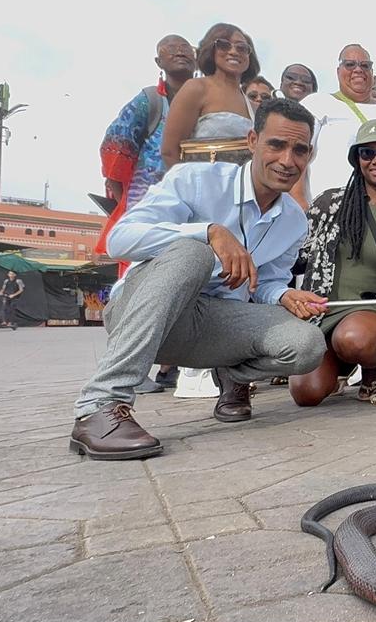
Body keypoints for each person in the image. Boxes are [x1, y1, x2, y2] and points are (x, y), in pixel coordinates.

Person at [69, 98, 327, 459]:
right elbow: (119, 240)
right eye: (276, 144)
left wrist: (283, 295)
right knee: (194, 253)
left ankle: (232, 375)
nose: (287, 160)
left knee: (308, 344)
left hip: (212, 324)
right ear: (252, 141)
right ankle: (99, 407)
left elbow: (266, 282)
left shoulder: (294, 221)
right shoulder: (196, 180)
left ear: (309, 155)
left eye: (299, 150)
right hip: (141, 314)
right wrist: (208, 232)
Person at [288, 119, 376, 407]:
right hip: (324, 309)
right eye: (367, 153)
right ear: (357, 159)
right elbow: (298, 255)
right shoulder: (330, 203)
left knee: (353, 339)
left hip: (373, 309)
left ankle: (371, 373)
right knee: (306, 393)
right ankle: (342, 365)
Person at [95, 34, 198, 248]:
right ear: (158, 62)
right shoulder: (150, 100)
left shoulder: (212, 103)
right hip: (151, 210)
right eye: (171, 48)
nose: (180, 51)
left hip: (199, 208)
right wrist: (128, 202)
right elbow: (115, 146)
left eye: (185, 47)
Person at [303, 44, 376, 200]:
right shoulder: (318, 103)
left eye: (365, 65)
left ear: (372, 72)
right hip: (327, 207)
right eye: (350, 64)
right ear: (338, 71)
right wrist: (299, 201)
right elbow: (297, 153)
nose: (358, 69)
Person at [161, 24, 261, 167]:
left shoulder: (254, 107)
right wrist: (186, 181)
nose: (234, 51)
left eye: (242, 48)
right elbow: (169, 151)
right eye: (224, 45)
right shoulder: (196, 88)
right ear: (211, 50)